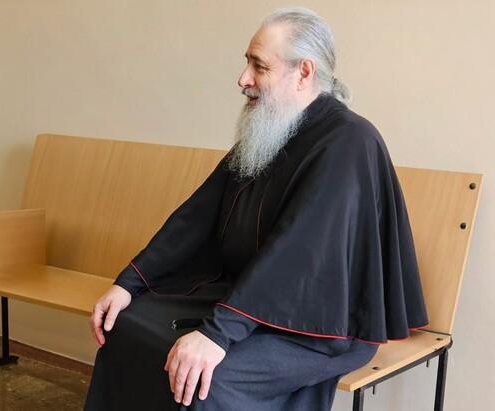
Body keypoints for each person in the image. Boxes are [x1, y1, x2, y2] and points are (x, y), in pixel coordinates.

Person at [84, 7, 428, 411]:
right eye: (247, 62)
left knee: (207, 380)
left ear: (303, 72)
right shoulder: (273, 125)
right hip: (250, 299)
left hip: (316, 326)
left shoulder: (349, 142)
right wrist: (129, 284)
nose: (243, 79)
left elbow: (299, 254)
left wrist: (218, 333)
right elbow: (196, 216)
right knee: (127, 326)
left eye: (259, 66)